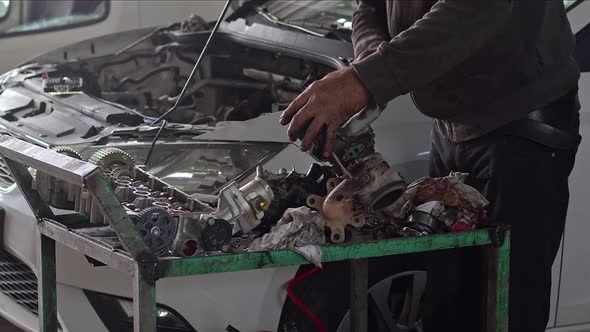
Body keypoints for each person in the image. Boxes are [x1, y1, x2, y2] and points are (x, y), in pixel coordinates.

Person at [279, 1, 581, 331]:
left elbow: (476, 9)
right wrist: (370, 56)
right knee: (444, 306)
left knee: (505, 313)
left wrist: (363, 80)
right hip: (450, 128)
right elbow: (371, 7)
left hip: (520, 126)